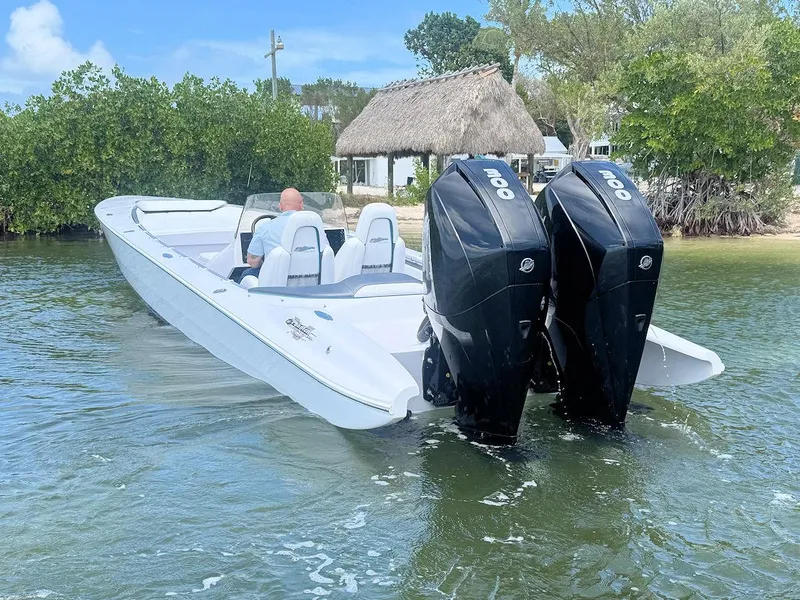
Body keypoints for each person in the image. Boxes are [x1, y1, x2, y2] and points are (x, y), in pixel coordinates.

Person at [237, 188, 304, 282]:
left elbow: (253, 261)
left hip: (276, 280)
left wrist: (265, 265)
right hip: (309, 278)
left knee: (247, 274)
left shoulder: (265, 228)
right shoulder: (315, 228)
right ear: (301, 205)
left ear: (280, 206)